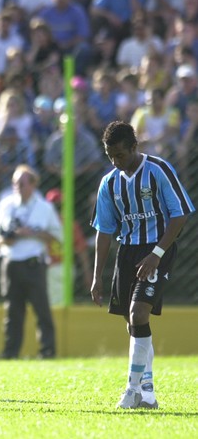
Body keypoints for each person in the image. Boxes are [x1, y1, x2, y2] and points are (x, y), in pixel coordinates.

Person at [90, 121, 195, 409]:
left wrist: (158, 253)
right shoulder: (109, 183)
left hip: (157, 249)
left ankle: (132, 390)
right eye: (110, 156)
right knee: (132, 322)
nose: (115, 161)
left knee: (138, 314)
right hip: (128, 252)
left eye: (120, 155)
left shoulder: (158, 170)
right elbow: (105, 230)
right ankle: (147, 390)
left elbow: (180, 214)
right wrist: (97, 276)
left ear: (135, 147)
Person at [0, 164, 62, 359]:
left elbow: (58, 236)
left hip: (34, 263)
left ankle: (47, 352)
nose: (17, 186)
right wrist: (5, 239)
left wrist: (33, 233)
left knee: (42, 310)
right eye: (14, 183)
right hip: (10, 262)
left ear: (33, 184)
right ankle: (10, 353)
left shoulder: (45, 207)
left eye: (21, 182)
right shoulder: (6, 204)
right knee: (12, 312)